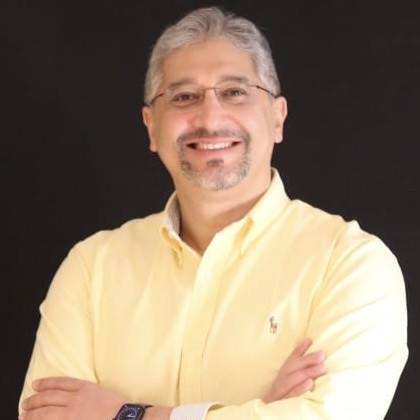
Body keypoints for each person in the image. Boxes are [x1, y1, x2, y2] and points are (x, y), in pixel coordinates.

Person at [18, 6, 408, 420]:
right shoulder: (91, 269)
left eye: (234, 92)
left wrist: (128, 415)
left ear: (277, 118)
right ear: (151, 127)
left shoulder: (349, 263)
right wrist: (258, 412)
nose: (210, 118)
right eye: (184, 97)